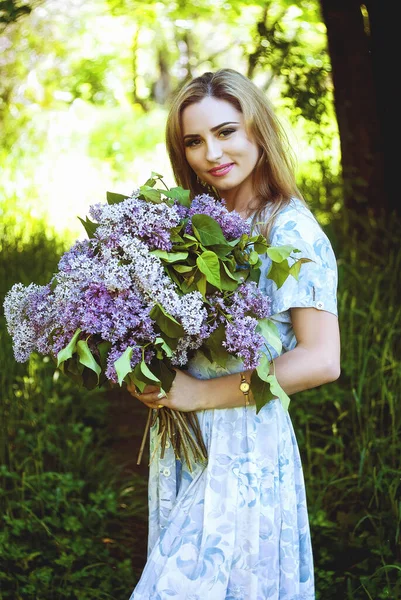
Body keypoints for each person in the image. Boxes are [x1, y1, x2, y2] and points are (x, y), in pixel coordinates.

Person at [127, 68, 341, 600]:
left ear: (257, 131)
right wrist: (144, 370)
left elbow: (320, 360)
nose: (211, 153)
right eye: (193, 141)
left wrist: (199, 393)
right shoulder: (191, 223)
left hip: (246, 447)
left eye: (226, 132)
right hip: (184, 443)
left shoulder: (289, 230)